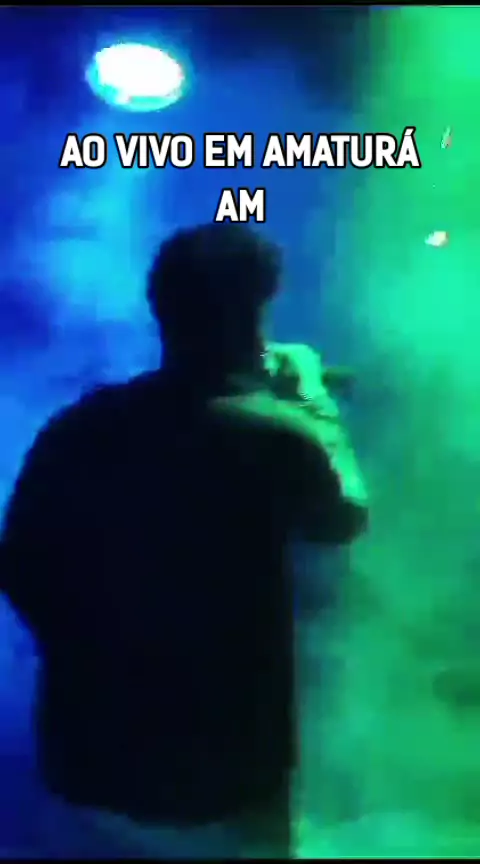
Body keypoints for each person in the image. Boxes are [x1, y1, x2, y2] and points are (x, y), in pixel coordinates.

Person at [0, 223, 368, 859]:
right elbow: (345, 519)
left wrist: (93, 657)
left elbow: (20, 567)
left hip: (89, 766)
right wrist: (311, 397)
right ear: (257, 313)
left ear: (162, 308)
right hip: (224, 781)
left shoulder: (79, 427)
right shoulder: (276, 435)